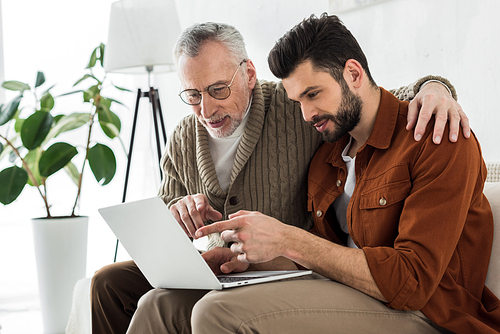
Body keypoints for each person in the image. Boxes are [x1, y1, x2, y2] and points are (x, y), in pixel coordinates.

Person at [91, 21, 471, 334]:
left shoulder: (430, 136)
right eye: (192, 95)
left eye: (218, 89)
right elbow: (325, 253)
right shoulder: (330, 150)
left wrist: (435, 87)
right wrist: (246, 257)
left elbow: (384, 99)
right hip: (327, 284)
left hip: (422, 309)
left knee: (214, 312)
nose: (306, 114)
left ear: (248, 75)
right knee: (153, 302)